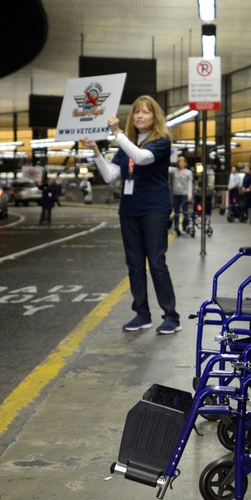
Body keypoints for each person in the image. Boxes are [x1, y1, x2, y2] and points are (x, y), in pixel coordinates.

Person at [81, 96, 180, 334]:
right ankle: (142, 315)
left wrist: (117, 134)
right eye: (136, 112)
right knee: (134, 264)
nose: (139, 116)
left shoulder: (161, 141)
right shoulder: (127, 143)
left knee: (156, 262)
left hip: (154, 209)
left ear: (154, 117)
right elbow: (110, 175)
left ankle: (171, 317)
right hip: (129, 210)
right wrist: (96, 151)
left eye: (145, 112)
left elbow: (141, 158)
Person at [169, 154, 194, 235]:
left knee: (185, 211)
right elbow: (166, 168)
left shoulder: (188, 172)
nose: (179, 163)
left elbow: (190, 184)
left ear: (185, 163)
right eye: (178, 162)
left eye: (181, 162)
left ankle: (184, 227)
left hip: (184, 194)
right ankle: (176, 228)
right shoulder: (174, 170)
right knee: (176, 212)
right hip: (175, 194)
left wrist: (190, 195)